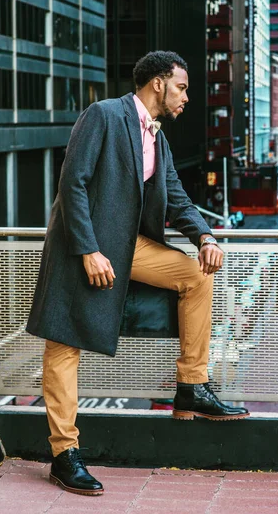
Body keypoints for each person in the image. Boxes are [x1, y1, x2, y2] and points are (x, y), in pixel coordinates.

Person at [26, 51, 249, 497]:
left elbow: (175, 195)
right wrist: (88, 249)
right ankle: (64, 454)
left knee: (196, 276)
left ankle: (192, 385)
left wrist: (205, 237)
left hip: (129, 247)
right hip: (80, 245)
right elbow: (72, 182)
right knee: (64, 345)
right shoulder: (104, 114)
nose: (186, 96)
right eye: (182, 87)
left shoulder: (158, 139)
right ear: (158, 83)